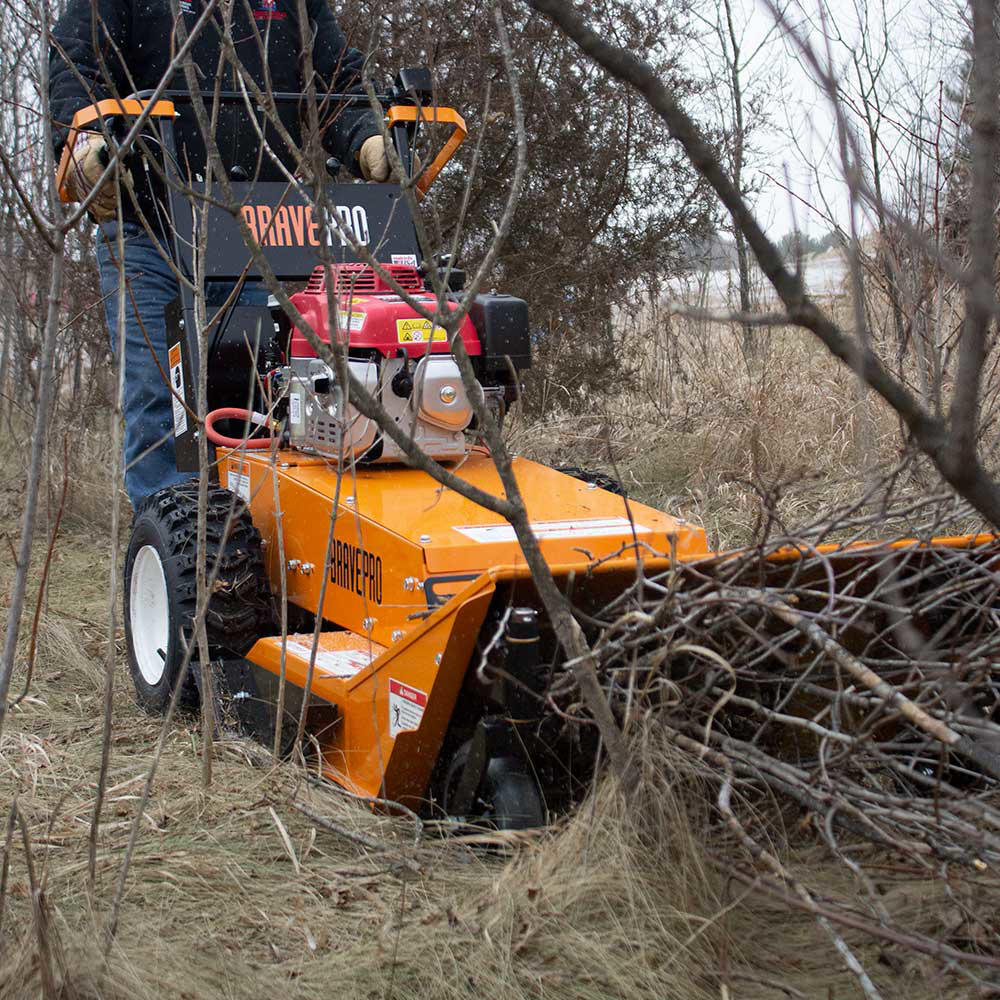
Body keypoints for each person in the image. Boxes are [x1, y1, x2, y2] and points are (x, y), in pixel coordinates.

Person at [49, 0, 391, 509]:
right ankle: (171, 565)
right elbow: (76, 57)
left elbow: (335, 76)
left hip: (248, 228)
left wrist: (367, 136)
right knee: (159, 406)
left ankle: (246, 557)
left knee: (252, 407)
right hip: (149, 221)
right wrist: (81, 138)